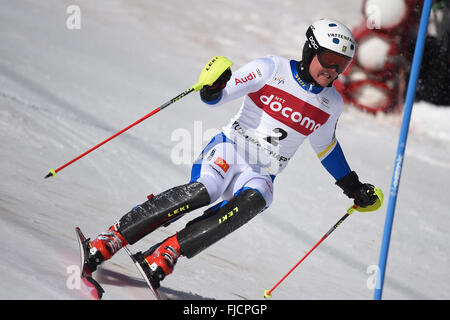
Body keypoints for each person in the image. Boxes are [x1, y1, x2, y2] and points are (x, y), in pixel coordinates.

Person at [83, 18, 381, 289]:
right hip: (230, 148)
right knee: (205, 191)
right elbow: (217, 96)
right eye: (328, 59)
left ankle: (166, 251)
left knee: (260, 198)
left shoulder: (331, 103)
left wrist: (353, 187)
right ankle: (112, 237)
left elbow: (326, 148)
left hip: (261, 171)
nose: (332, 70)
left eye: (341, 64)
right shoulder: (271, 68)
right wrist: (213, 87)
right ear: (310, 50)